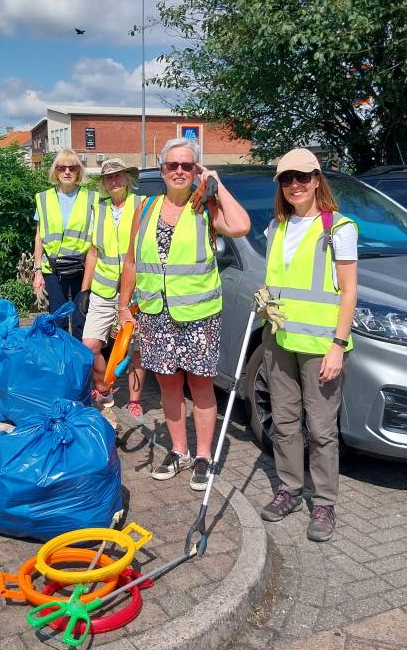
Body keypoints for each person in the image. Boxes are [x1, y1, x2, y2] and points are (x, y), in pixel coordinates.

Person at [119, 138, 250, 490]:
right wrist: (123, 306)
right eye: (172, 165)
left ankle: (203, 456)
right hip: (155, 313)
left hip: (198, 316)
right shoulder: (145, 208)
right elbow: (131, 261)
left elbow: (241, 226)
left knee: (201, 384)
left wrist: (217, 184)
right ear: (162, 170)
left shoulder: (206, 206)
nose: (179, 171)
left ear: (196, 171)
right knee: (168, 384)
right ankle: (179, 451)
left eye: (187, 166)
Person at [260, 148, 358, 542]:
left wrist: (338, 345)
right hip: (279, 339)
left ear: (317, 179)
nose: (295, 185)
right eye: (287, 179)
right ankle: (289, 489)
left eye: (302, 177)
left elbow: (348, 292)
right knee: (284, 422)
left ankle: (324, 502)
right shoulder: (276, 227)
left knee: (320, 429)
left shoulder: (339, 228)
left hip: (320, 345)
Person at [78, 158, 146, 418]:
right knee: (89, 346)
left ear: (128, 178)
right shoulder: (99, 208)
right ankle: (103, 388)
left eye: (118, 175)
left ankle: (135, 400)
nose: (114, 181)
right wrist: (85, 290)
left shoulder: (142, 204)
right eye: (109, 177)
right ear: (104, 183)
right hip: (103, 289)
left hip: (137, 290)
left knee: (136, 349)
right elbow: (93, 252)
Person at [33, 149, 96, 341]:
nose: (67, 172)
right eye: (62, 168)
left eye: (72, 168)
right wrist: (37, 271)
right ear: (56, 171)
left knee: (80, 318)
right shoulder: (43, 198)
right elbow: (39, 236)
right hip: (53, 269)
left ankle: (79, 355)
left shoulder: (92, 198)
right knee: (57, 318)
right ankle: (60, 354)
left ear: (78, 172)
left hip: (81, 267)